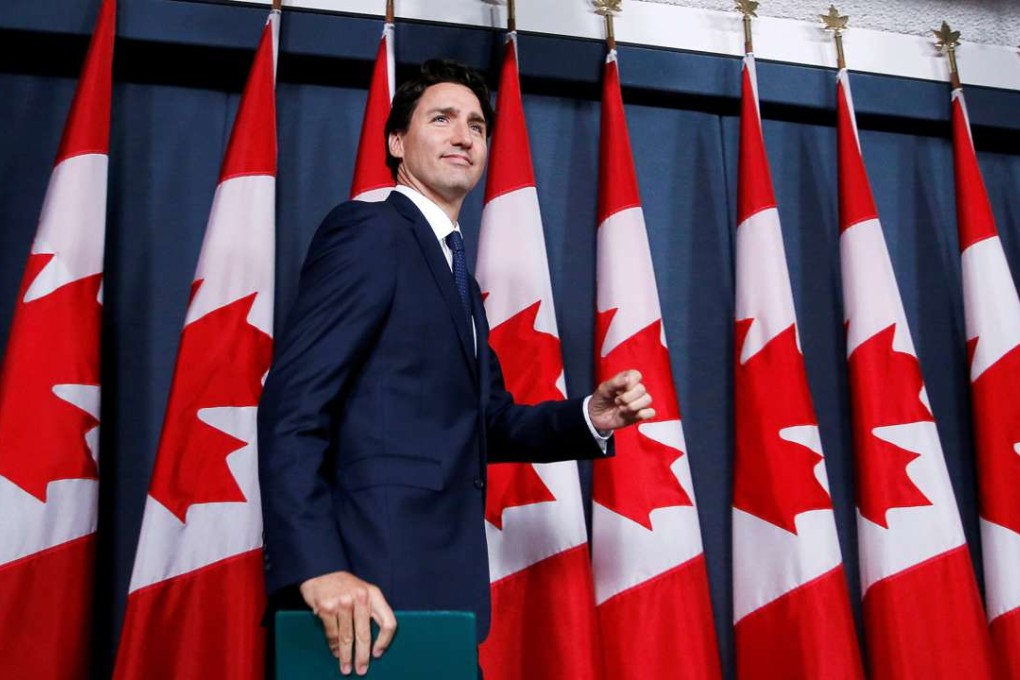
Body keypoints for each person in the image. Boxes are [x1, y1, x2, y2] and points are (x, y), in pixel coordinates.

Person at [257, 59, 654, 677]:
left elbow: (486, 420)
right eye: (441, 118)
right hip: (361, 593)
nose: (463, 136)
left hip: (434, 596)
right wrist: (318, 568)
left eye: (476, 125)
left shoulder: (453, 271)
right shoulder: (371, 232)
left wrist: (590, 418)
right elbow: (293, 405)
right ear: (397, 141)